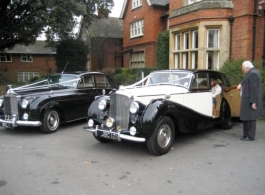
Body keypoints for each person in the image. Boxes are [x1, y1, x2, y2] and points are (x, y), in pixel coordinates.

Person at [237, 61, 263, 141]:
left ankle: (250, 136)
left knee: (250, 118)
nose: (242, 70)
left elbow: (253, 89)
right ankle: (246, 135)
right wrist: (241, 84)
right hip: (248, 98)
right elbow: (246, 80)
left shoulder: (252, 74)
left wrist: (253, 102)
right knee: (246, 117)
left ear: (247, 67)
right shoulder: (252, 72)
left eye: (243, 68)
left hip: (250, 99)